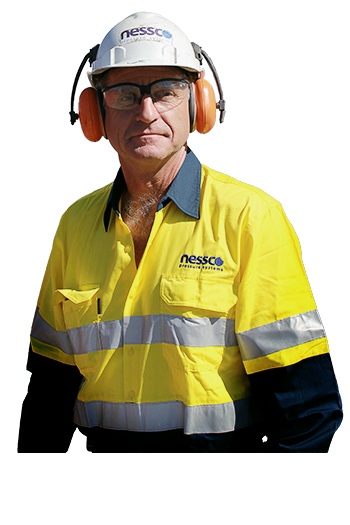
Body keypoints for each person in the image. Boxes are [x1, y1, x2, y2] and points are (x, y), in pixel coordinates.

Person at [18, 11, 342, 453]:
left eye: (166, 92)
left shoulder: (249, 217)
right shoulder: (74, 226)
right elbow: (48, 398)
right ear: (95, 113)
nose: (146, 112)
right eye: (125, 94)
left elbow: (307, 409)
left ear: (198, 107)